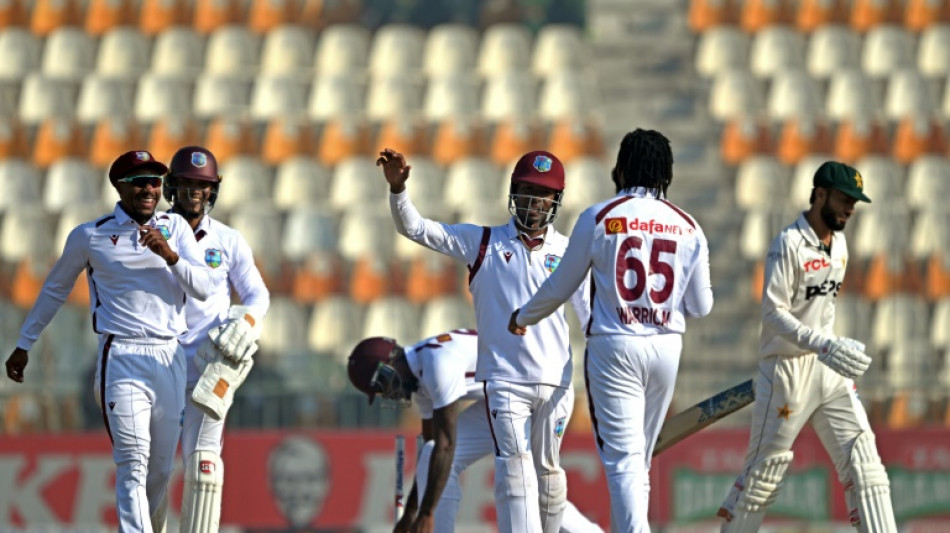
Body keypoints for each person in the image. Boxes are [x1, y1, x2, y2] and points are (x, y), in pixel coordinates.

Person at [508, 129, 714, 532]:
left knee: (624, 463)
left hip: (614, 346)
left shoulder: (599, 216)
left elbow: (562, 285)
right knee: (639, 463)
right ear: (667, 173)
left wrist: (524, 317)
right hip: (667, 348)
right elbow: (701, 306)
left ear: (621, 168)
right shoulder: (689, 225)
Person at [377, 148, 589, 533]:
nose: (534, 202)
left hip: (558, 383)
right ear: (513, 192)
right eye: (527, 191)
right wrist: (398, 191)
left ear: (556, 200)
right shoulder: (483, 242)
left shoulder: (569, 250)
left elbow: (590, 317)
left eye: (543, 194)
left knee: (548, 476)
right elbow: (417, 229)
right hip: (506, 382)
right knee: (515, 471)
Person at [4, 150, 214, 533]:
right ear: (119, 186)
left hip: (169, 354)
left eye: (154, 181)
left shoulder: (177, 229)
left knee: (161, 469)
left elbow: (203, 288)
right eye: (139, 182)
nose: (149, 189)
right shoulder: (91, 235)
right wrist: (25, 343)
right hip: (122, 355)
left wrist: (170, 256)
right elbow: (55, 289)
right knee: (133, 461)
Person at [715, 161, 895, 532]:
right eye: (844, 200)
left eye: (854, 203)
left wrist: (830, 347)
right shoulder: (787, 245)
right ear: (820, 195)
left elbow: (821, 313)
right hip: (786, 372)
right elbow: (773, 314)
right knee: (762, 478)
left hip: (828, 369)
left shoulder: (840, 245)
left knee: (866, 466)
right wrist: (824, 344)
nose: (850, 209)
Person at [347, 332, 603, 533]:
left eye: (382, 385)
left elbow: (446, 445)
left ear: (390, 364)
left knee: (530, 486)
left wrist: (425, 515)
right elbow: (433, 453)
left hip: (545, 391)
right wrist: (411, 513)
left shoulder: (437, 365)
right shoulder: (420, 376)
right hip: (508, 398)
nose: (386, 394)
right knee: (430, 454)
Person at [162, 146, 271, 533]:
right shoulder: (152, 232)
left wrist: (246, 324)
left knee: (204, 466)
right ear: (172, 187)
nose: (195, 192)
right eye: (187, 184)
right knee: (151, 469)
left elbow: (257, 295)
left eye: (203, 185)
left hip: (208, 367)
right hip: (157, 362)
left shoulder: (228, 240)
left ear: (213, 190)